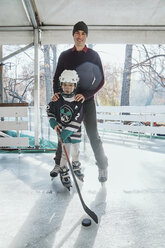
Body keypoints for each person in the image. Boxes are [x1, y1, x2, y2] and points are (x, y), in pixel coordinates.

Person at [52, 21, 108, 182]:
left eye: (83, 33)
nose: (80, 36)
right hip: (67, 102)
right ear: (73, 35)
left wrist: (87, 95)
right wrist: (57, 94)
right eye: (77, 33)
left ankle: (103, 166)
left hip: (87, 101)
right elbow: (56, 78)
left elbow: (101, 79)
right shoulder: (65, 55)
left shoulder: (93, 55)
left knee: (93, 135)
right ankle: (58, 163)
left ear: (86, 36)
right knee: (64, 132)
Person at [47, 70, 84, 190]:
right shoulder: (57, 99)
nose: (67, 88)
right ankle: (63, 169)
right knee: (65, 153)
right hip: (62, 132)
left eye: (70, 85)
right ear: (61, 85)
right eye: (65, 85)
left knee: (75, 152)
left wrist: (66, 132)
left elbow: (78, 119)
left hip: (74, 133)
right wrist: (53, 122)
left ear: (75, 86)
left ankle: (76, 164)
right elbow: (49, 110)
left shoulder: (78, 101)